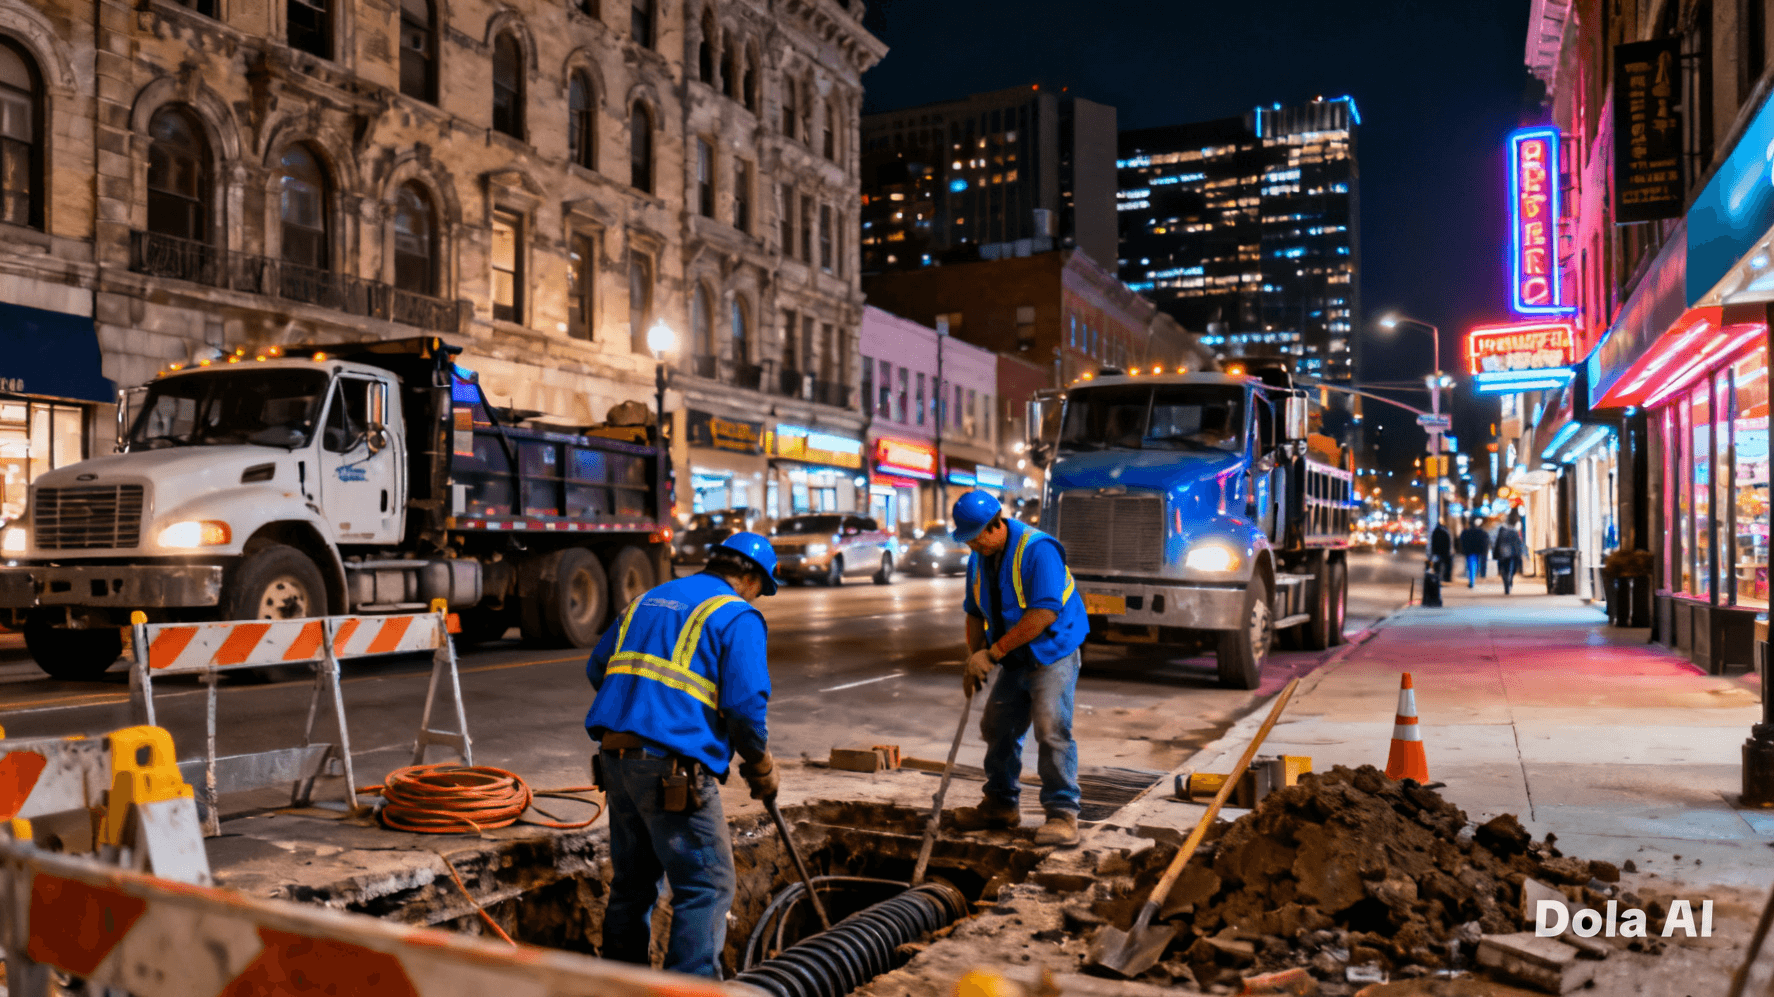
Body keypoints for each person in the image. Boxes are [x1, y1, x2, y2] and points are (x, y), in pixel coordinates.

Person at [584, 533, 781, 978]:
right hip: (671, 772)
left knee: (632, 885)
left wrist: (641, 710)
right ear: (749, 576)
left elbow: (599, 667)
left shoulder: (650, 599)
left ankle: (617, 985)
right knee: (706, 887)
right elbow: (746, 706)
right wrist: (761, 763)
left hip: (616, 761)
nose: (757, 598)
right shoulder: (736, 615)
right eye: (760, 589)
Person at [948, 489, 1089, 847]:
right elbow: (974, 611)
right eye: (967, 542)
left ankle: (1062, 813)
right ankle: (1000, 804)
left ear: (995, 525)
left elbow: (1042, 614)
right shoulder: (979, 558)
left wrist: (992, 654)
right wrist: (973, 658)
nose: (973, 547)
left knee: (1050, 726)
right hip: (1014, 653)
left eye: (976, 539)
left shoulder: (1039, 550)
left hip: (1052, 649)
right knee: (997, 725)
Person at [1493, 512, 1525, 594]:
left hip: (1503, 553)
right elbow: (1518, 544)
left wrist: (1495, 554)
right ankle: (1509, 581)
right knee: (1511, 569)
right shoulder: (1514, 532)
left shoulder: (1502, 532)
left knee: (1504, 570)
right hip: (1512, 554)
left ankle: (1506, 583)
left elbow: (1497, 544)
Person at [1458, 518, 1492, 588]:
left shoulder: (1466, 532)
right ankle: (1472, 580)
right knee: (1474, 565)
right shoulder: (1481, 532)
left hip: (1469, 551)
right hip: (1477, 551)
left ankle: (1471, 580)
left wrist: (1463, 550)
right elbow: (1485, 542)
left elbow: (1462, 541)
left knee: (1470, 565)